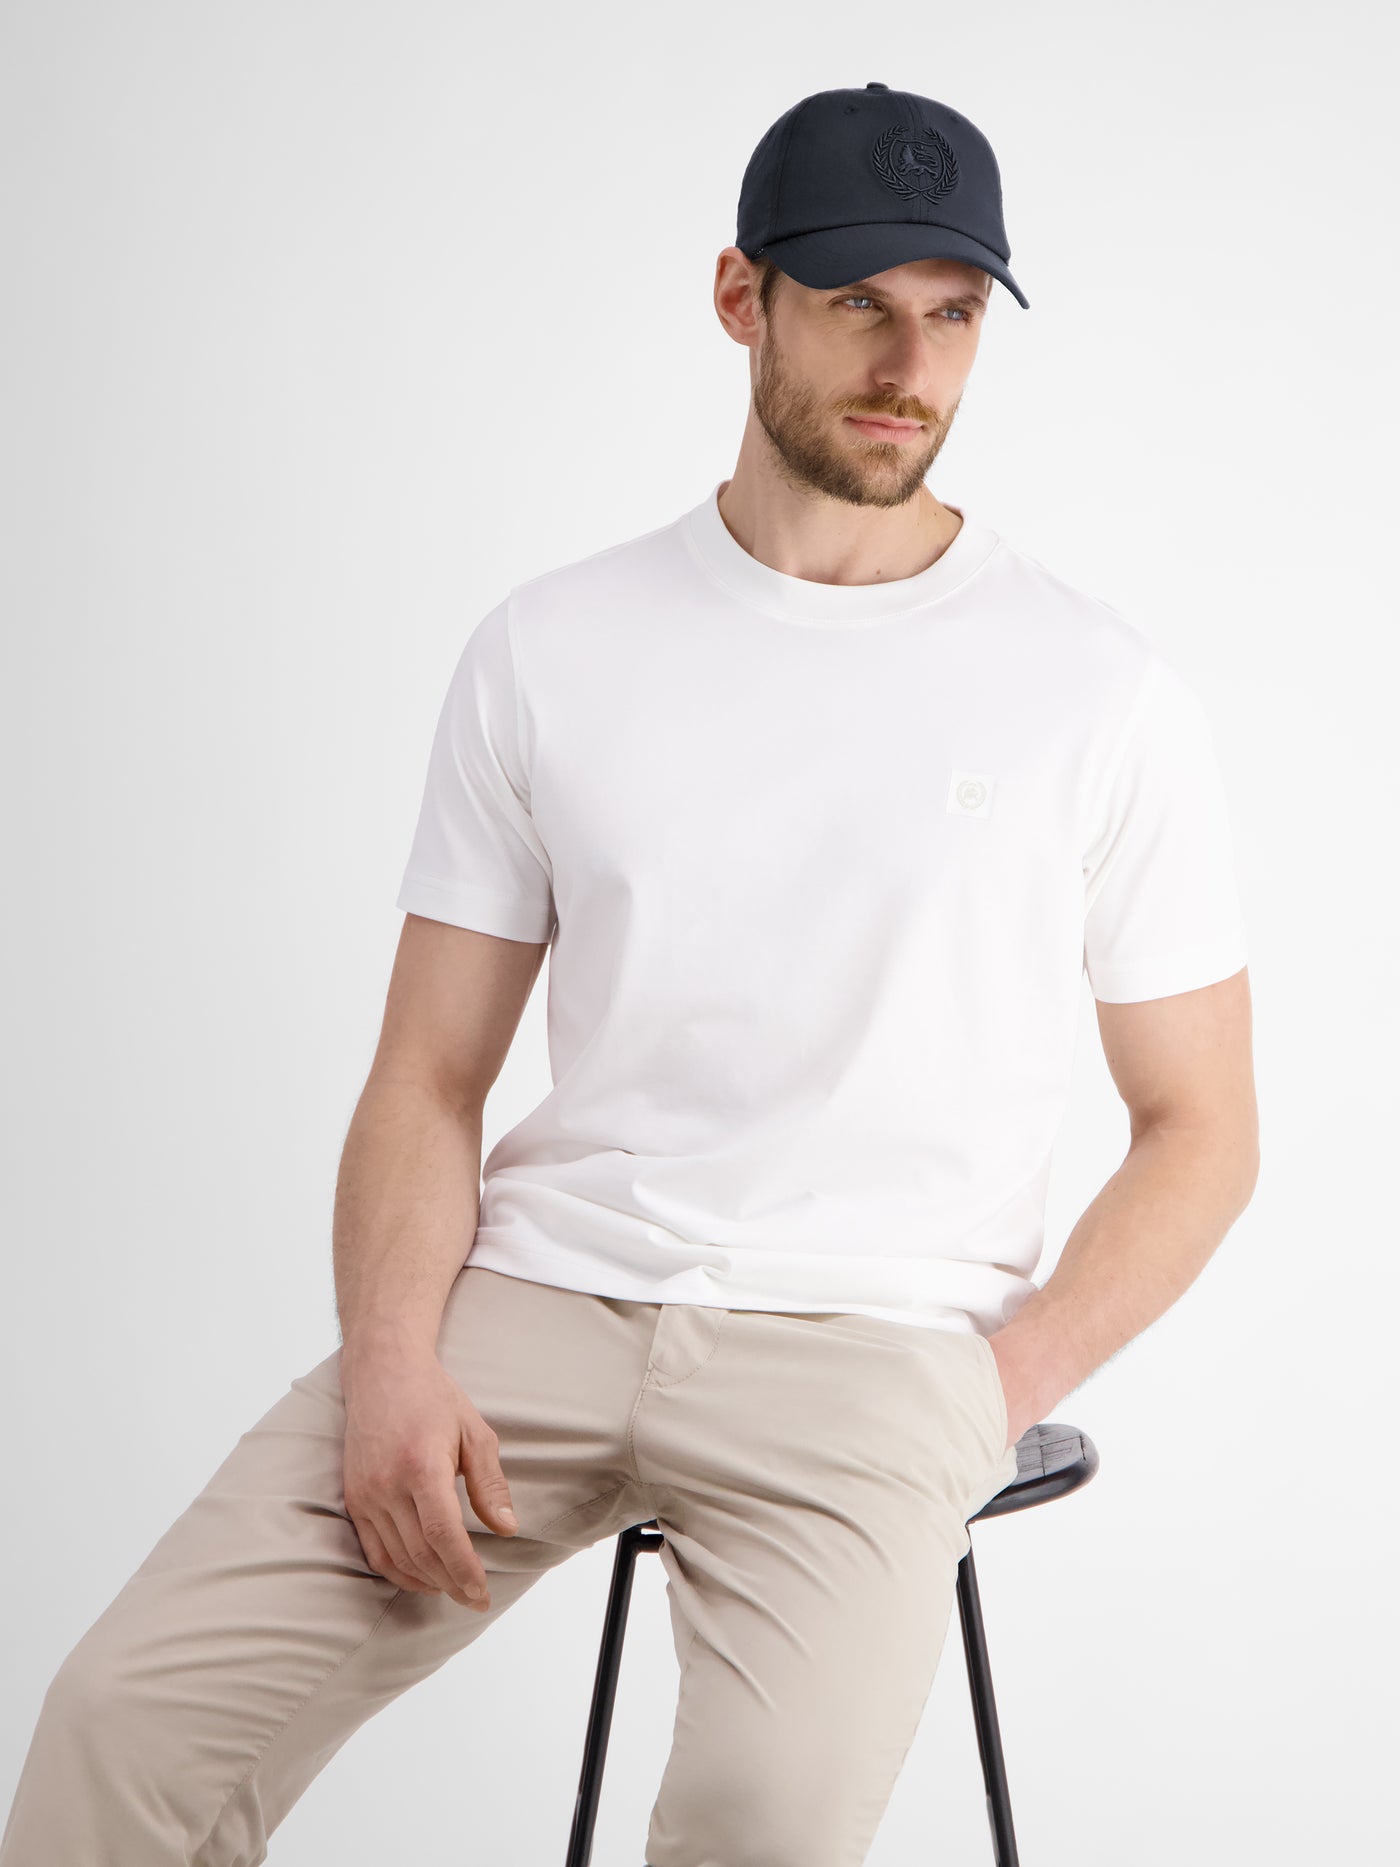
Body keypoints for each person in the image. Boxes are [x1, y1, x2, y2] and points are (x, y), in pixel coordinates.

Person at [1, 82, 1259, 1867]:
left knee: (760, 1826)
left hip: (877, 1346)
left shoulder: (1101, 694)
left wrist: (990, 1391)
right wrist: (391, 1363)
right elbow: (429, 1074)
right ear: (741, 297)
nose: (910, 365)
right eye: (857, 303)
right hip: (541, 1306)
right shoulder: (553, 648)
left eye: (955, 312)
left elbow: (1203, 1129)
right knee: (123, 1723)